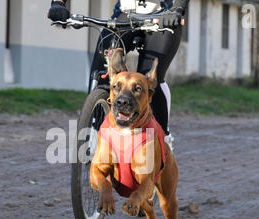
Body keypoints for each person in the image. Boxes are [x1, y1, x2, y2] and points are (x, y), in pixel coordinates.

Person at [48, 0, 189, 148]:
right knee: (101, 72)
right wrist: (58, 3)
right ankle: (94, 132)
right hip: (125, 15)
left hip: (163, 16)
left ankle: (163, 139)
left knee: (150, 77)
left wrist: (177, 8)